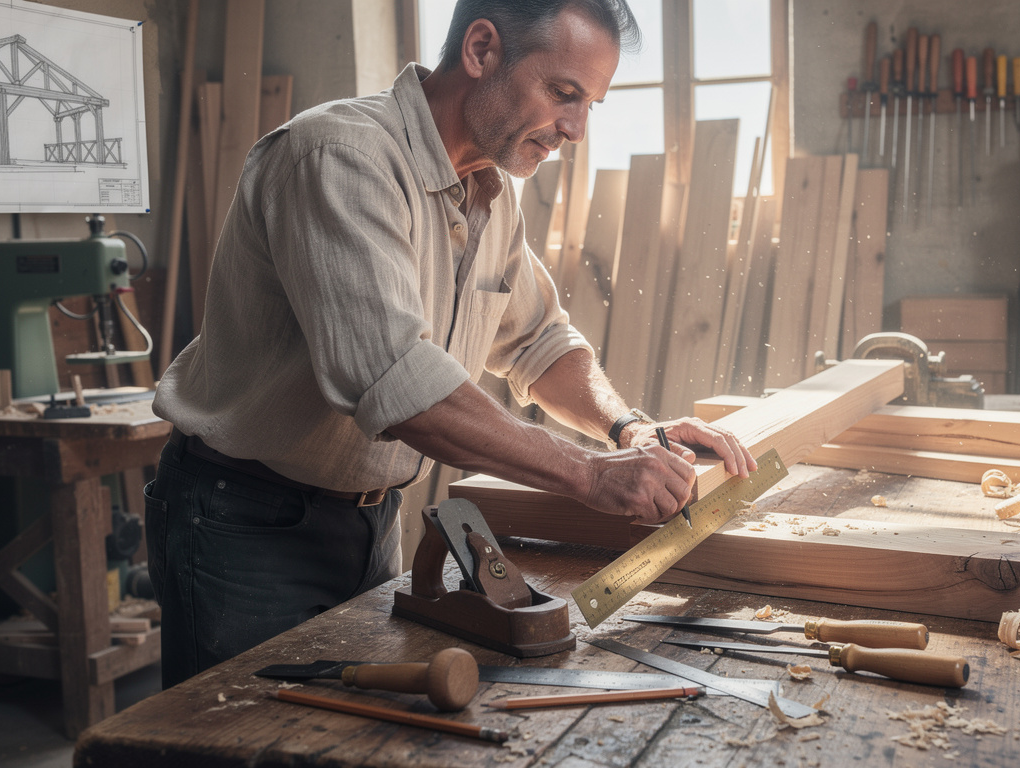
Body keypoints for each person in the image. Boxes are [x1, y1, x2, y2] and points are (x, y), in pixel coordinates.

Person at [146, 0, 756, 688]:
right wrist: (589, 476)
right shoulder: (339, 158)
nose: (576, 129)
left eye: (590, 104)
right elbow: (398, 383)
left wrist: (630, 430)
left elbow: (540, 340)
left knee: (349, 731)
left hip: (371, 521)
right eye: (564, 94)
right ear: (482, 50)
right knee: (237, 739)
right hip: (241, 520)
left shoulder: (487, 189)